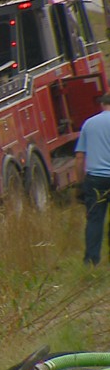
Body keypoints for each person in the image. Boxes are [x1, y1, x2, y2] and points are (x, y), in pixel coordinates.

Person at [75, 94, 110, 265]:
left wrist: (80, 183)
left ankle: (91, 260)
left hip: (95, 179)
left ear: (103, 104)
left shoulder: (89, 124)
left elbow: (80, 157)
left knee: (95, 220)